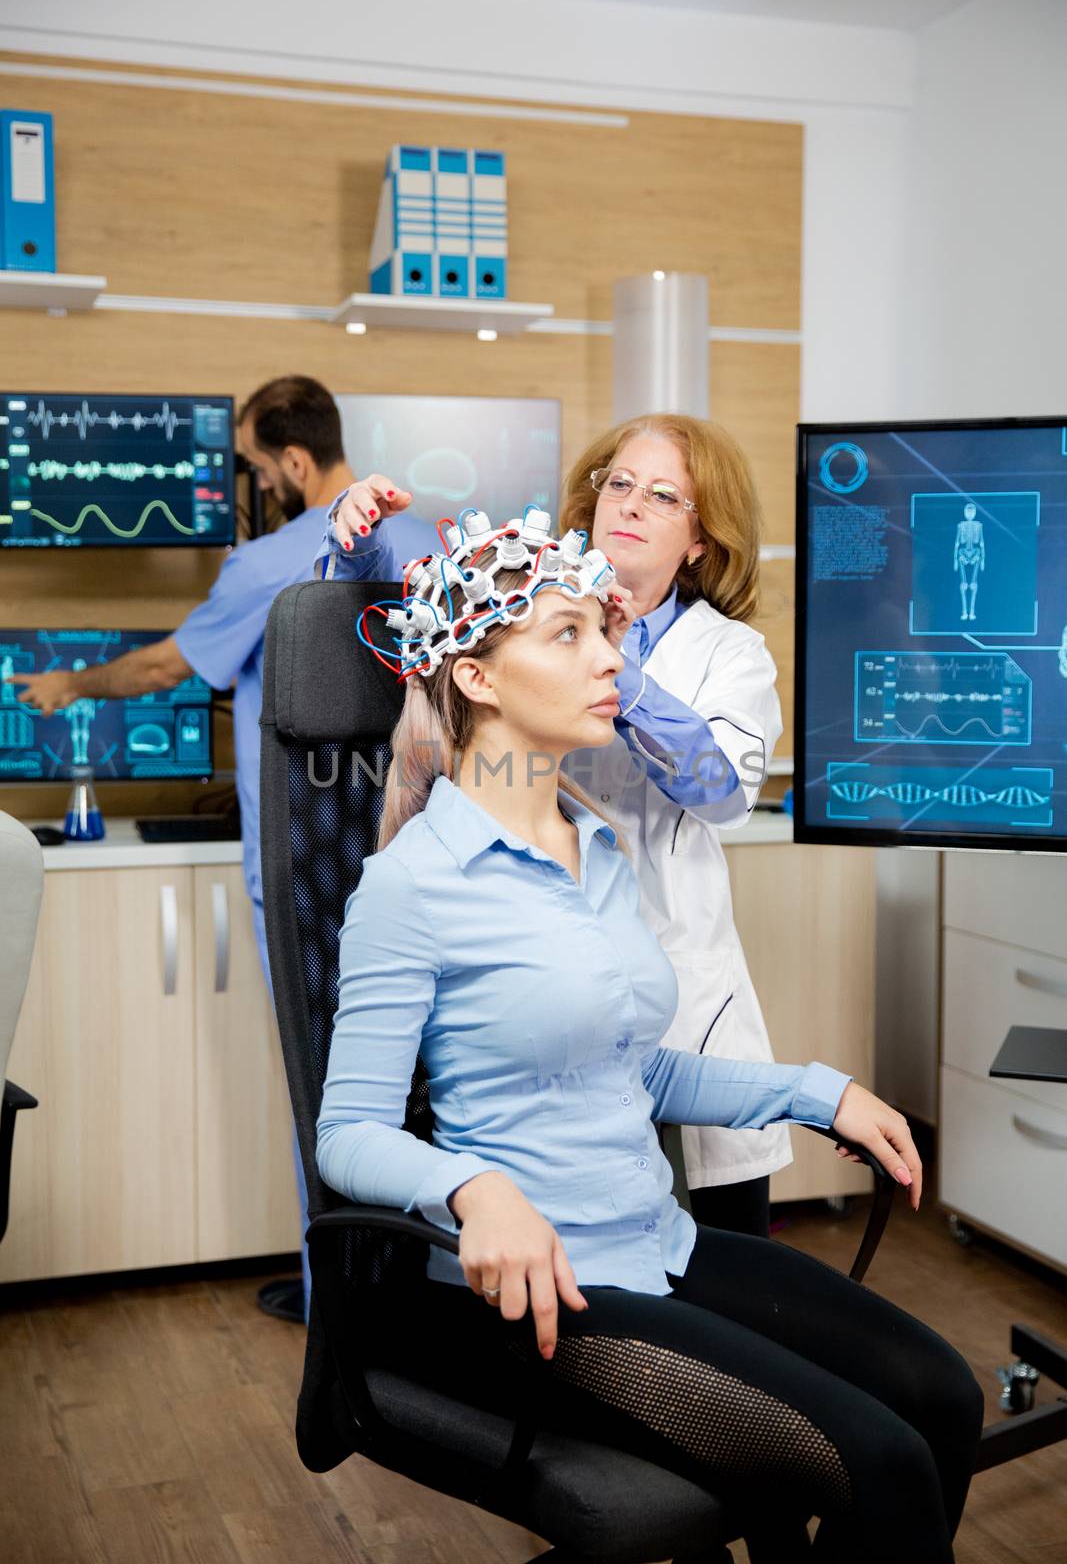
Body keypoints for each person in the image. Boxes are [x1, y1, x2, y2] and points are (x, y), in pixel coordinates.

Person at [315, 510, 984, 1561]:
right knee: (879, 1461)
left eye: (606, 634)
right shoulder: (413, 884)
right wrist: (471, 1188)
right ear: (479, 680)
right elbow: (345, 1131)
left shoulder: (599, 849)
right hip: (550, 1293)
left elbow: (637, 1066)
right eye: (567, 635)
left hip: (656, 1244)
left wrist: (817, 1091)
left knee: (941, 1397)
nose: (607, 662)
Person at [322, 413, 793, 1239]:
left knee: (719, 1253)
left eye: (663, 495)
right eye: (618, 483)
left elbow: (719, 791)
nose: (631, 503)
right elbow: (441, 626)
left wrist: (620, 673)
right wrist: (363, 551)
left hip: (675, 983)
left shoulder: (728, 655)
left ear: (699, 540)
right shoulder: (535, 611)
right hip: (536, 981)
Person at [14, 374, 394, 1324]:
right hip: (411, 855)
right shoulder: (424, 540)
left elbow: (159, 666)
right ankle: (414, 1292)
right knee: (409, 1079)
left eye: (257, 468)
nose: (254, 484)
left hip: (307, 868)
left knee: (328, 1087)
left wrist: (68, 683)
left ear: (294, 463)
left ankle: (338, 1307)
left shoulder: (267, 562)